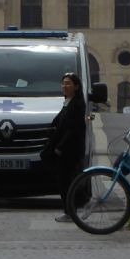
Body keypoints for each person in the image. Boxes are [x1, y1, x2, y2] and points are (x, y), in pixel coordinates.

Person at [42, 72, 89, 222]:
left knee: (66, 181)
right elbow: (59, 121)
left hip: (70, 149)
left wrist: (60, 147)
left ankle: (72, 210)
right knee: (65, 180)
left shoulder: (78, 104)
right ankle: (74, 208)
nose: (64, 86)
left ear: (76, 86)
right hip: (64, 147)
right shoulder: (68, 102)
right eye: (63, 83)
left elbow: (73, 129)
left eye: (68, 83)